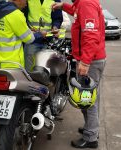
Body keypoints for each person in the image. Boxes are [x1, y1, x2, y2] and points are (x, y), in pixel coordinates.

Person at [52, 0, 106, 149]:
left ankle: (91, 138)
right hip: (92, 58)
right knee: (89, 99)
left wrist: (85, 61)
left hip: (91, 61)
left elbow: (91, 35)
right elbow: (77, 12)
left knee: (88, 100)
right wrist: (63, 6)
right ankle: (92, 128)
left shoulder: (86, 3)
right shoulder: (82, 4)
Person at [0, 0, 44, 69]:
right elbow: (29, 39)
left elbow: (7, 32)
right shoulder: (16, 14)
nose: (26, 4)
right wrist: (40, 34)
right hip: (13, 63)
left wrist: (28, 30)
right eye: (25, 1)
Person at [23, 0, 63, 71]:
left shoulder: (55, 0)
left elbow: (57, 18)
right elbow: (22, 16)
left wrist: (55, 26)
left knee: (45, 69)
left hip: (48, 41)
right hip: (32, 40)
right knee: (29, 70)